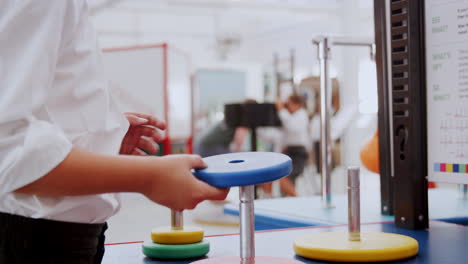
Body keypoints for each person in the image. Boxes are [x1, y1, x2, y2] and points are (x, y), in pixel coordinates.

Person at [0, 1, 229, 264]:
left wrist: (98, 137)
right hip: (35, 239)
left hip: (65, 234)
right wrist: (150, 178)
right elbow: (8, 150)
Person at [275, 94, 310, 197]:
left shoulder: (301, 114)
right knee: (288, 180)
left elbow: (293, 128)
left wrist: (281, 110)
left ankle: (297, 198)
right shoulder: (291, 116)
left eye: (289, 104)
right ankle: (291, 201)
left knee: (283, 177)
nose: (287, 107)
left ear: (297, 104)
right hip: (288, 151)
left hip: (298, 152)